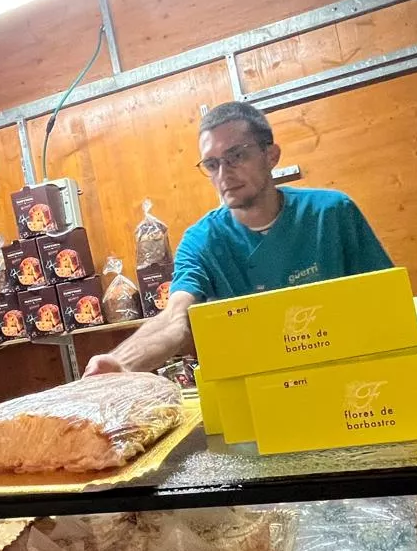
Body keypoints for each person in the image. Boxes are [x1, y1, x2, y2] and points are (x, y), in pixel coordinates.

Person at [85, 101, 392, 376]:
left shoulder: (331, 213)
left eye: (236, 156)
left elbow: (385, 304)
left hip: (349, 380)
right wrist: (120, 362)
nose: (224, 174)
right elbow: (176, 316)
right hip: (266, 395)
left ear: (270, 155)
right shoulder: (201, 241)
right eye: (212, 164)